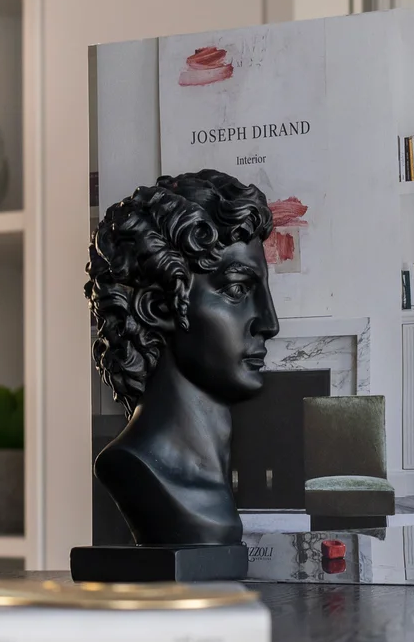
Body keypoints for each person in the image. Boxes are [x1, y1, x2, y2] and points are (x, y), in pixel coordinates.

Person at [85, 170, 281, 547]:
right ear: (159, 306)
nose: (270, 324)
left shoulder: (211, 475)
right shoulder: (138, 470)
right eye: (238, 289)